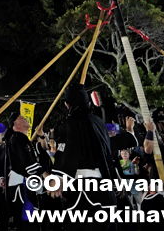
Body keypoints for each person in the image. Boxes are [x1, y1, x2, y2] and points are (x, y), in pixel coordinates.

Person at [50, 84, 117, 231]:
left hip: (82, 190)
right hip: (104, 188)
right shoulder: (99, 122)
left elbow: (68, 151)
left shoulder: (70, 122)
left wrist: (58, 177)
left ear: (67, 104)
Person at [4, 113, 47, 230]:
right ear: (16, 124)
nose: (26, 119)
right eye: (22, 118)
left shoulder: (20, 138)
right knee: (27, 222)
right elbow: (27, 162)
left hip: (24, 183)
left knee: (28, 220)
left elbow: (42, 151)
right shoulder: (17, 138)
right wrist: (44, 174)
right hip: (22, 184)